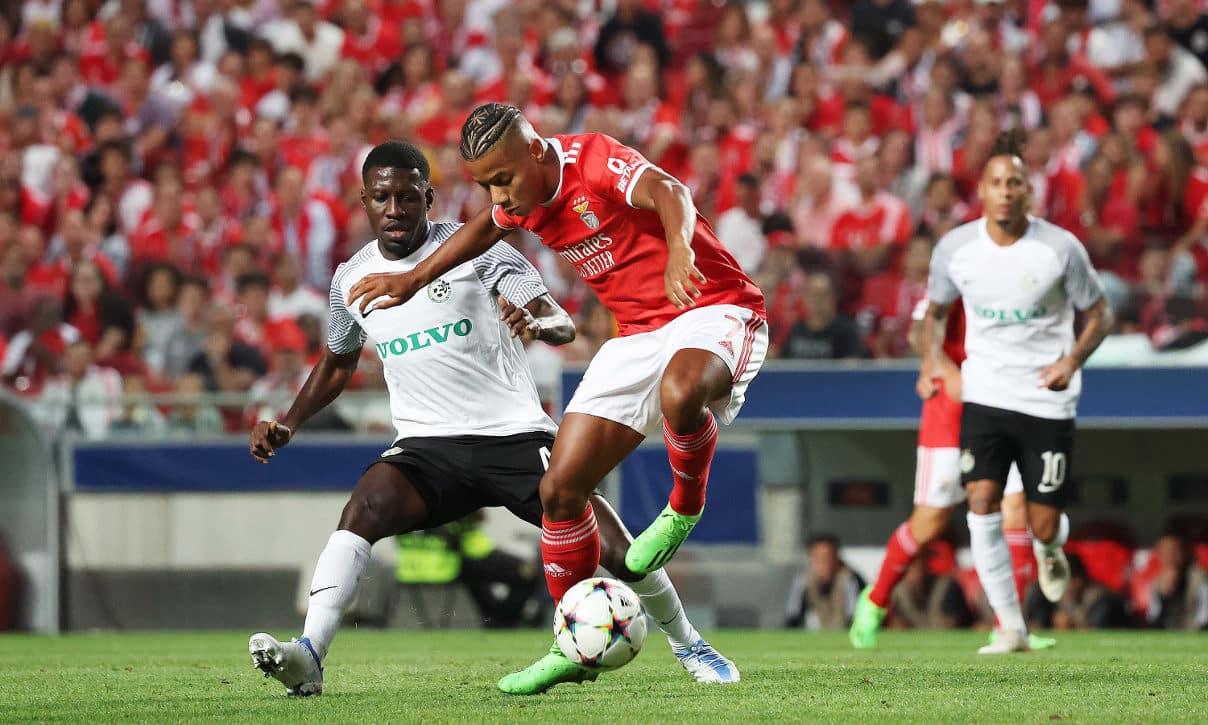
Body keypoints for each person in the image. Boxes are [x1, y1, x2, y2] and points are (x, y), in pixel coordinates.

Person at [247, 140, 737, 698]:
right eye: (382, 197)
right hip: (427, 448)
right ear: (364, 200)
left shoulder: (479, 250)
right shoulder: (348, 280)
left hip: (514, 435)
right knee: (362, 510)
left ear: (428, 197)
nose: (395, 208)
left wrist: (534, 319)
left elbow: (558, 321)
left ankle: (689, 642)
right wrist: (289, 422)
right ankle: (309, 655)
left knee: (619, 553)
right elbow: (336, 363)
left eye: (407, 196)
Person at [916, 128, 1112, 653]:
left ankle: (1051, 548)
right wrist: (932, 360)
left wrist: (1072, 360)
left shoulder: (1058, 249)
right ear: (982, 189)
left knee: (1040, 521)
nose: (1006, 190)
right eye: (997, 182)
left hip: (1046, 396)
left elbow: (1100, 313)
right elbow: (932, 314)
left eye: (1015, 183)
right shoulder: (956, 249)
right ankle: (1010, 628)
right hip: (986, 393)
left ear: (1029, 191)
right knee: (980, 501)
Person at [849, 296, 1054, 650]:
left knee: (1016, 506)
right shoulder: (957, 264)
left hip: (1002, 404)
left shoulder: (1016, 270)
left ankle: (1010, 626)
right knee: (929, 522)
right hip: (950, 410)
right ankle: (876, 600)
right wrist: (940, 365)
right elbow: (919, 330)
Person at [784, 533, 866, 630]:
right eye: (818, 558)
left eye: (828, 557)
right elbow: (793, 614)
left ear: (836, 557)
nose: (823, 564)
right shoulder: (804, 579)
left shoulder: (850, 579)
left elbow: (856, 615)